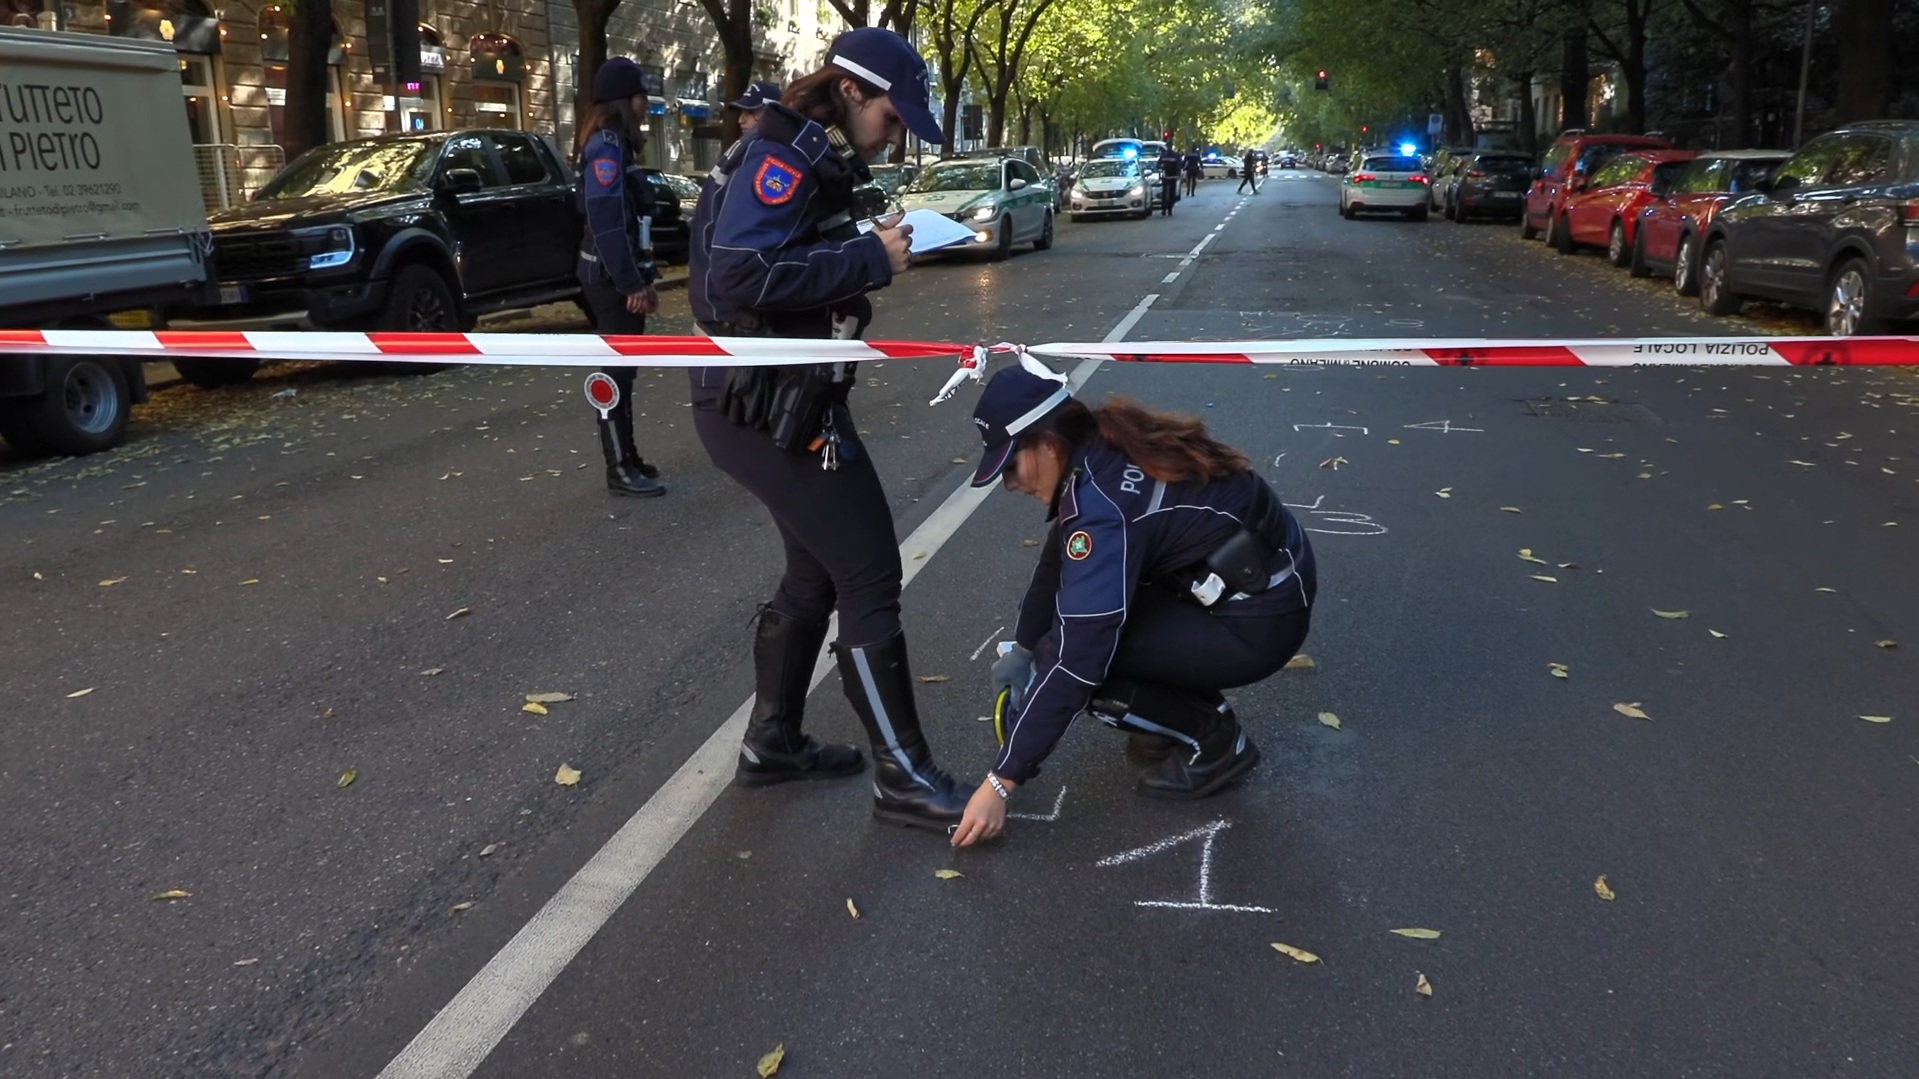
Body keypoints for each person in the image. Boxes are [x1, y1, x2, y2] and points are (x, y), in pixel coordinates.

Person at [687, 28, 974, 832]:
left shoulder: (810, 153)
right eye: (891, 115)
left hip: (780, 397)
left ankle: (771, 742)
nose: (895, 134)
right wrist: (867, 261)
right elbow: (738, 274)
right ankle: (905, 774)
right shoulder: (780, 156)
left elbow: (777, 260)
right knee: (870, 572)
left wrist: (855, 247)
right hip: (758, 404)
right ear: (850, 91)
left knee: (815, 573)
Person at [951, 364, 1318, 849]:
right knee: (1063, 640)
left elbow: (1077, 656)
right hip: (1266, 580)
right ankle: (1179, 712)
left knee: (1082, 666)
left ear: (1046, 443)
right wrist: (1021, 645)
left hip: (1262, 619)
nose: (1010, 485)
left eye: (1011, 467)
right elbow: (1057, 560)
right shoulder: (1100, 445)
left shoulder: (1101, 508)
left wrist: (1001, 783)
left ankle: (1216, 742)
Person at [576, 57, 666, 498]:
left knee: (624, 374)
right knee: (614, 376)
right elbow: (608, 222)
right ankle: (618, 468)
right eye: (641, 97)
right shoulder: (606, 147)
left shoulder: (615, 145)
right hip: (610, 282)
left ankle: (627, 457)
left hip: (617, 278)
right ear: (624, 101)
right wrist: (631, 283)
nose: (645, 105)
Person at [1157, 144, 1182, 216]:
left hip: (1168, 176)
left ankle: (1165, 209)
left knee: (1167, 193)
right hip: (1170, 176)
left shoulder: (1164, 155)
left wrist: (1161, 167)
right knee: (1170, 193)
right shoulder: (1175, 155)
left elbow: (1158, 165)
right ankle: (1167, 209)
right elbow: (1179, 166)